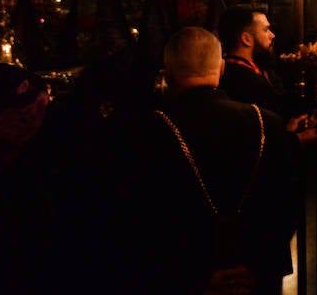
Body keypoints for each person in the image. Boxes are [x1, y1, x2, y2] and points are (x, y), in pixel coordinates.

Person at [119, 27, 302, 293]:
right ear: (221, 67)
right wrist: (256, 266)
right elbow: (288, 203)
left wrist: (195, 276)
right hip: (255, 280)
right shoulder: (268, 123)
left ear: (168, 74)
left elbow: (140, 220)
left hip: (178, 280)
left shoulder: (144, 132)